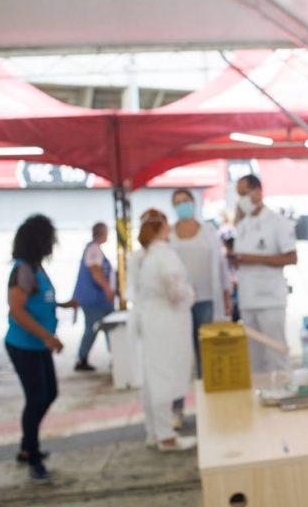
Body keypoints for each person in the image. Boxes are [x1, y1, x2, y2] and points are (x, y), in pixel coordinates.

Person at [5, 214, 78, 483]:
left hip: (38, 345)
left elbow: (40, 300)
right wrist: (48, 337)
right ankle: (33, 458)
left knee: (49, 393)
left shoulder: (36, 268)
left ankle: (28, 446)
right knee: (36, 398)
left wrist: (63, 305)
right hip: (24, 346)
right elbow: (17, 311)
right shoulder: (23, 270)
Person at [128, 209, 196, 451]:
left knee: (152, 377)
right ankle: (166, 435)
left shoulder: (142, 257)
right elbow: (174, 289)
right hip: (166, 320)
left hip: (149, 318)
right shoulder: (164, 255)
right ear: (161, 228)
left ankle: (154, 432)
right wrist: (190, 294)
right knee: (164, 377)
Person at [169, 189, 232, 428]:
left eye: (185, 201)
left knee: (206, 355)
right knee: (180, 356)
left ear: (193, 202)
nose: (182, 205)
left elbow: (221, 264)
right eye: (177, 202)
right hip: (179, 303)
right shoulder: (170, 234)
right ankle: (177, 408)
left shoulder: (208, 231)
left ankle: (208, 405)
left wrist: (226, 293)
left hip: (206, 298)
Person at [230, 174, 297, 373]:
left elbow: (291, 257)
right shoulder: (242, 225)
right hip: (247, 298)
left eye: (244, 194)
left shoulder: (278, 222)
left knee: (276, 353)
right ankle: (259, 391)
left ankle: (283, 388)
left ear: (258, 192)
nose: (241, 199)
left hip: (270, 299)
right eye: (239, 195)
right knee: (254, 358)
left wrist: (254, 258)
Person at [72, 222, 115, 372]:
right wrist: (107, 288)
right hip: (95, 300)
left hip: (96, 299)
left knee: (100, 329)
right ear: (103, 233)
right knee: (100, 328)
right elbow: (95, 270)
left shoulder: (94, 249)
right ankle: (83, 358)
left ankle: (114, 357)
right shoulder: (93, 249)